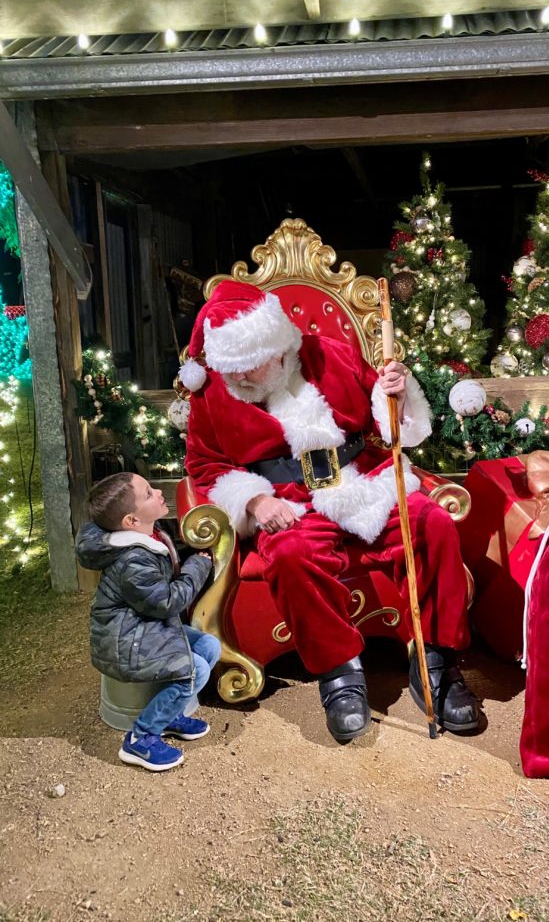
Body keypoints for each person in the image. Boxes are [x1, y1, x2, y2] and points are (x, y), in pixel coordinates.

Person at [181, 281, 479, 742]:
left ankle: (435, 660)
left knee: (433, 525)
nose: (238, 378)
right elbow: (205, 465)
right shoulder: (213, 391)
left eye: (248, 366)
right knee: (291, 555)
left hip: (366, 477)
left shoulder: (330, 354)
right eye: (230, 368)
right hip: (288, 498)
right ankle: (340, 674)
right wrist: (255, 501)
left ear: (276, 345)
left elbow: (392, 422)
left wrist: (393, 393)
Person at [75, 472, 220, 771]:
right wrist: (198, 565)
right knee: (197, 671)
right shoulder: (132, 560)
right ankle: (140, 738)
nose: (157, 492)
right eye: (148, 493)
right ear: (130, 521)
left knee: (208, 645)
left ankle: (168, 713)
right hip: (126, 640)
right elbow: (167, 602)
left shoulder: (149, 536)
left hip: (143, 626)